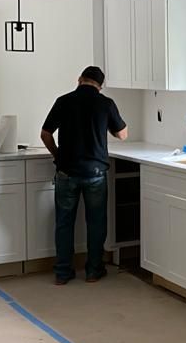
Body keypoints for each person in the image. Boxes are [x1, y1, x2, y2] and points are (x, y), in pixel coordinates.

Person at [40, 66, 128, 285]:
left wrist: (58, 155)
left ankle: (62, 273)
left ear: (80, 79)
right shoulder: (105, 103)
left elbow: (45, 134)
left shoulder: (64, 101)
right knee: (96, 222)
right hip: (95, 173)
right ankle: (93, 270)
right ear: (100, 85)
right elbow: (123, 134)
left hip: (66, 171)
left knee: (64, 222)